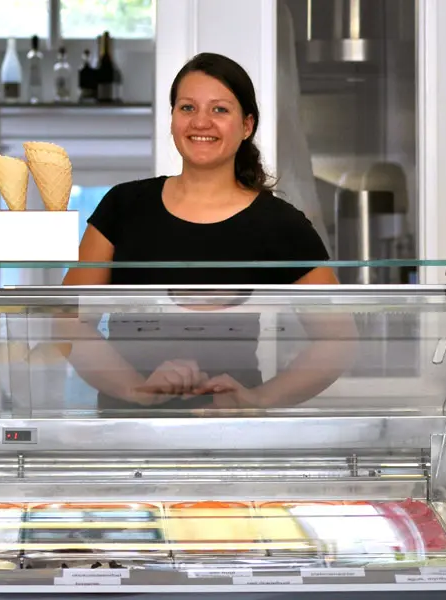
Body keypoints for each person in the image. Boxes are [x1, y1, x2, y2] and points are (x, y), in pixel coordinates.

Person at [60, 52, 356, 412]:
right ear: (171, 119)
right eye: (187, 108)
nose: (201, 122)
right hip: (129, 435)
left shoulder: (281, 223)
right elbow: (66, 321)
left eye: (219, 110)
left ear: (247, 126)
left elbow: (338, 340)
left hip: (233, 437)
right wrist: (135, 388)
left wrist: (260, 398)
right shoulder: (123, 205)